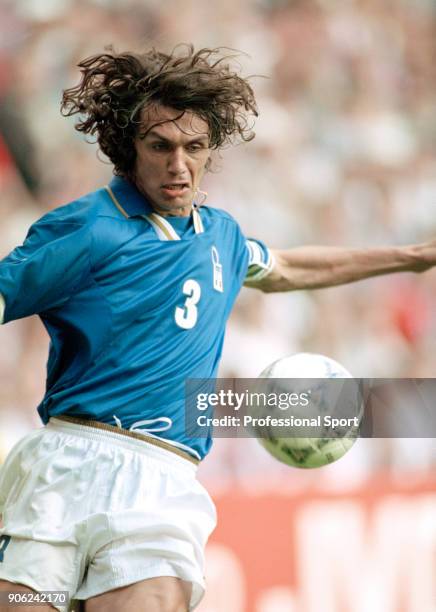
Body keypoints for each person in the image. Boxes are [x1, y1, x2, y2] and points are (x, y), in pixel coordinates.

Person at [0, 45, 434, 612]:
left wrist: (409, 256)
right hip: (64, 470)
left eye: (194, 147)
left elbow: (286, 269)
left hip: (159, 485)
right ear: (129, 148)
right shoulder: (87, 229)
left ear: (210, 151)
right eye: (161, 146)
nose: (179, 164)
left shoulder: (221, 237)